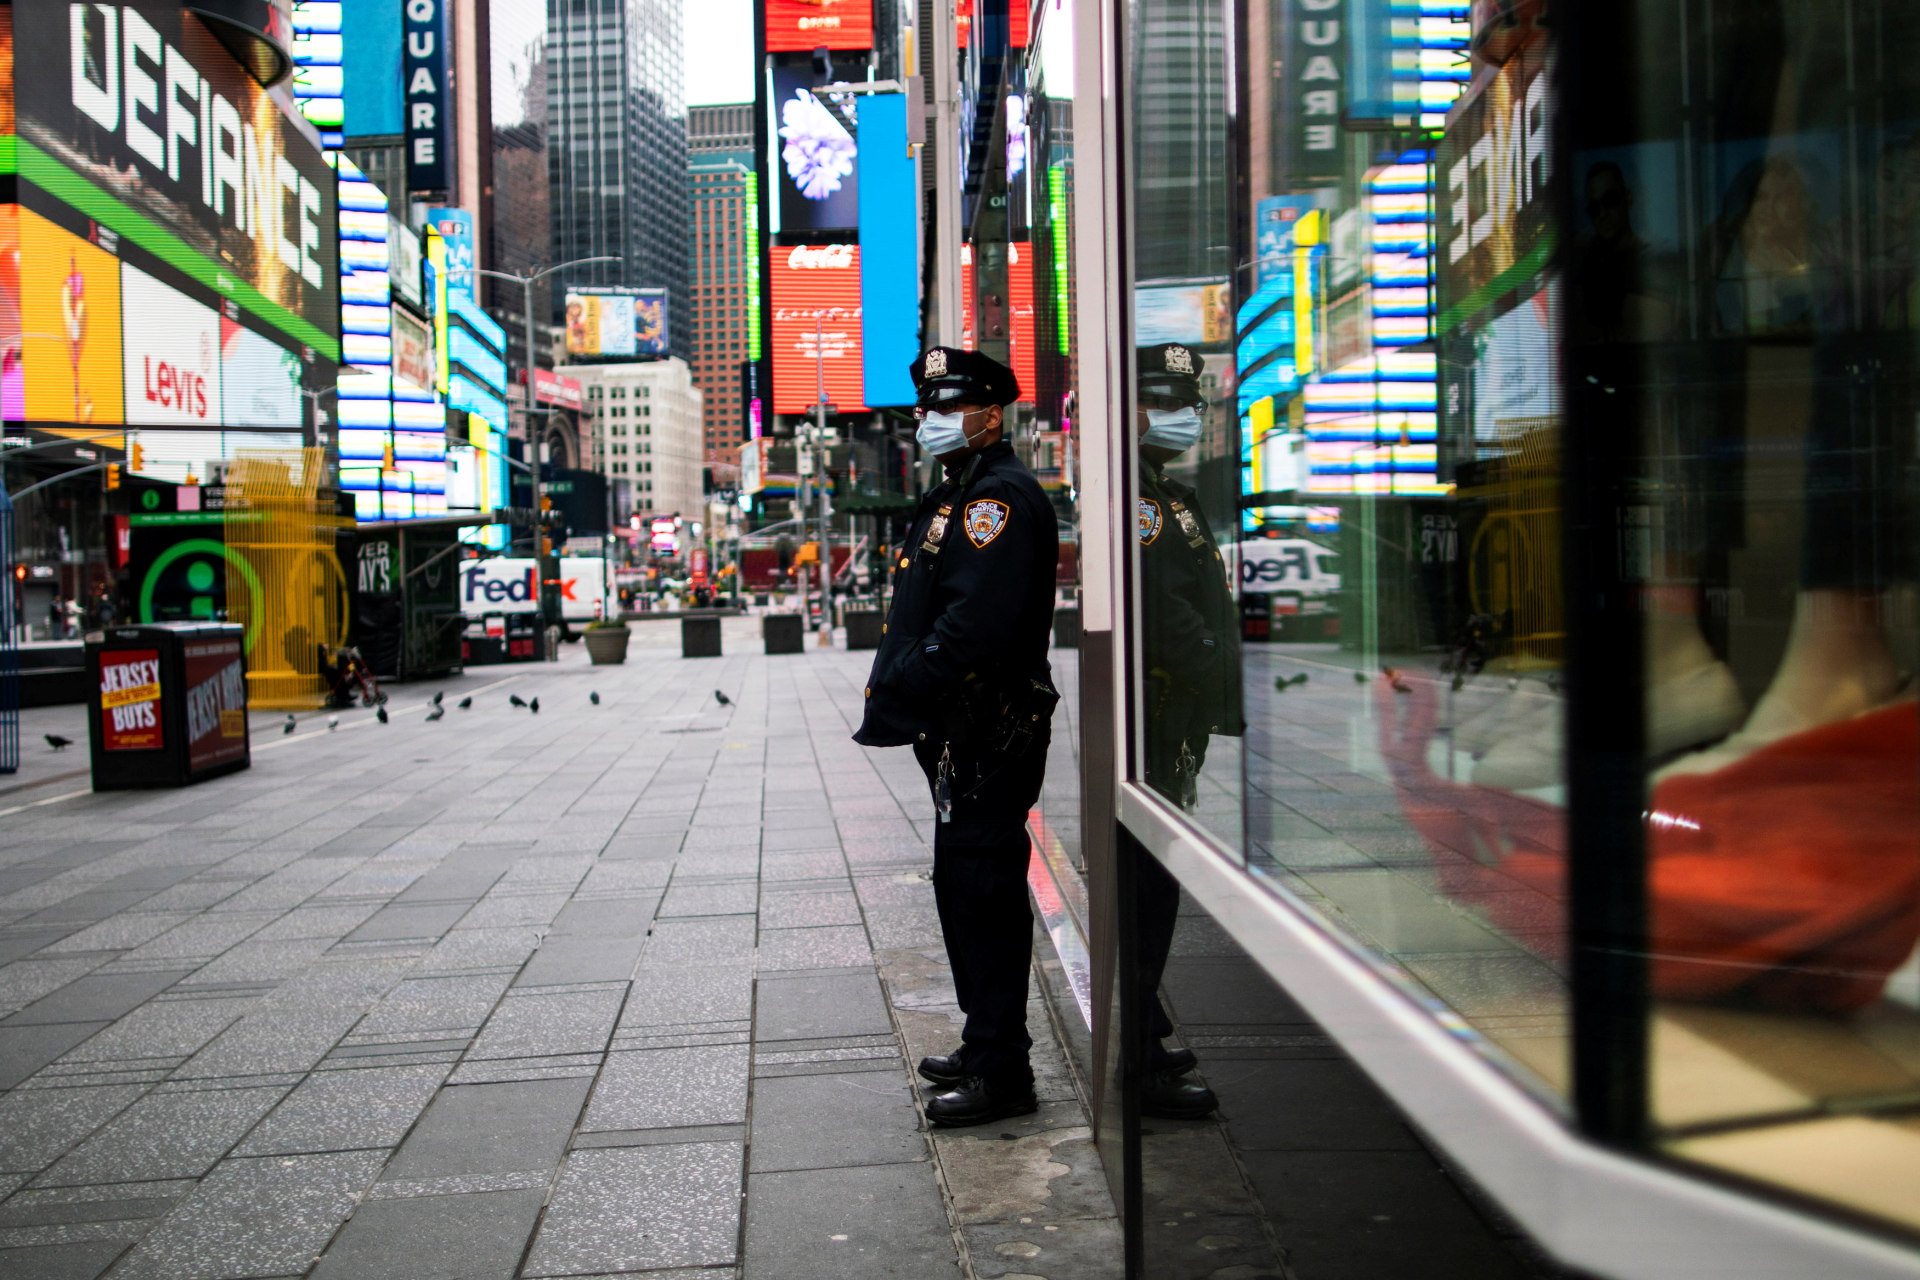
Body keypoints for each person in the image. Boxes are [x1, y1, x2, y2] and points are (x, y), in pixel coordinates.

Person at [854, 346, 1059, 1126]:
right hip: (961, 733)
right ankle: (985, 1042)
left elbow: (974, 627)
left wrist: (908, 678)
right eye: (926, 409)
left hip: (990, 731)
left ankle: (1003, 1070)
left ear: (990, 413)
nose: (929, 421)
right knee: (964, 892)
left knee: (984, 892)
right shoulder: (960, 491)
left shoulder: (997, 499)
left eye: (946, 408)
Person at [1134, 342, 1242, 1118]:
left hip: (1178, 716)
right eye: (1169, 400)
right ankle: (1139, 1050)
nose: (1185, 416)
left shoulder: (1170, 494)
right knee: (1147, 886)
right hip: (1159, 711)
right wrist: (1208, 664)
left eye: (1190, 402)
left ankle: (1145, 1025)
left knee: (1157, 884)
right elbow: (1164, 607)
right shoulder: (1138, 501)